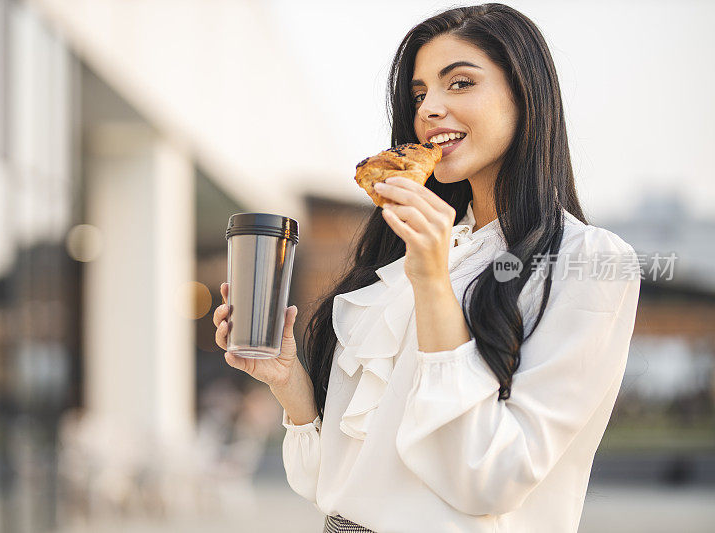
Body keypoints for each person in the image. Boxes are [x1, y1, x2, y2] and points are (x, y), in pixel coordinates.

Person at [213, 3, 641, 532]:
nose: (430, 109)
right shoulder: (415, 252)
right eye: (419, 94)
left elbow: (491, 479)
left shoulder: (587, 260)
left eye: (459, 83)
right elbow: (331, 477)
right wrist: (287, 378)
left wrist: (433, 281)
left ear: (526, 94)